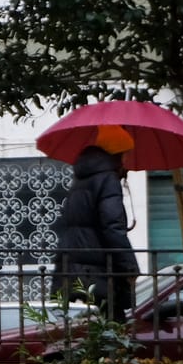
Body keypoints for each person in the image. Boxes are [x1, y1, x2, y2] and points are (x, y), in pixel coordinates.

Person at [52, 124, 141, 321]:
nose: (127, 158)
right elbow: (112, 226)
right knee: (115, 327)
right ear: (116, 153)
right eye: (125, 153)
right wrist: (130, 267)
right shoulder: (107, 180)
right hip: (98, 267)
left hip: (77, 265)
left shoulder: (81, 179)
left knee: (97, 326)